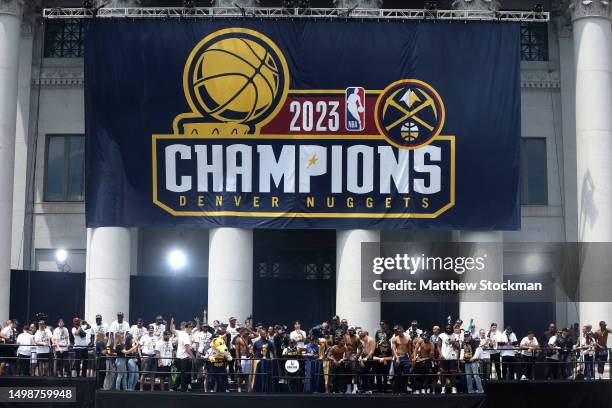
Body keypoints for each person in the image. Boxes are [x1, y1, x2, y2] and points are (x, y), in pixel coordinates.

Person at [438, 324, 460, 393]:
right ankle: (443, 388)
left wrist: (453, 342)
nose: (448, 329)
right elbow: (438, 346)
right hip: (444, 357)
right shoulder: (441, 335)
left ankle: (453, 388)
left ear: (452, 329)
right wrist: (441, 354)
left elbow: (458, 347)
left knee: (453, 374)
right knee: (443, 374)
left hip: (452, 357)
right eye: (447, 328)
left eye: (449, 328)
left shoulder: (455, 336)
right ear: (445, 329)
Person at [392, 325, 413, 394]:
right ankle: (396, 391)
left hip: (405, 357)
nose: (399, 332)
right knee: (397, 375)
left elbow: (409, 350)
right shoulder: (395, 339)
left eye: (400, 331)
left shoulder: (408, 339)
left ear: (403, 331)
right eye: (398, 331)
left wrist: (410, 360)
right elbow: (394, 349)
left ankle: (403, 390)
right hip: (398, 356)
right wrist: (397, 357)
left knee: (405, 375)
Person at [176, 321, 195, 392]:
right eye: (190, 327)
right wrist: (193, 356)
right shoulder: (186, 336)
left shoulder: (183, 334)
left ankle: (179, 388)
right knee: (184, 375)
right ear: (186, 328)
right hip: (184, 358)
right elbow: (187, 349)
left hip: (183, 357)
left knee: (184, 374)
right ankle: (183, 390)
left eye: (192, 327)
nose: (192, 329)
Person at [138, 325, 157, 391]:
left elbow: (157, 348)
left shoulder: (156, 338)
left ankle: (152, 389)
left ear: (153, 330)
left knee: (152, 375)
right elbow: (139, 347)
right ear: (148, 330)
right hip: (145, 357)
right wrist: (140, 356)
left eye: (152, 329)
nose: (151, 330)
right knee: (143, 373)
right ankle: (141, 389)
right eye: (150, 329)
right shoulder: (144, 337)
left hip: (153, 357)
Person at [343, 326, 361, 393]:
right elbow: (343, 346)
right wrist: (344, 355)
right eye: (349, 330)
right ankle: (348, 388)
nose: (350, 331)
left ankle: (355, 388)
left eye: (352, 330)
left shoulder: (357, 338)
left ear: (354, 331)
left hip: (353, 355)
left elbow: (360, 348)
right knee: (348, 372)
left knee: (354, 372)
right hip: (347, 355)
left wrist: (357, 356)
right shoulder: (345, 337)